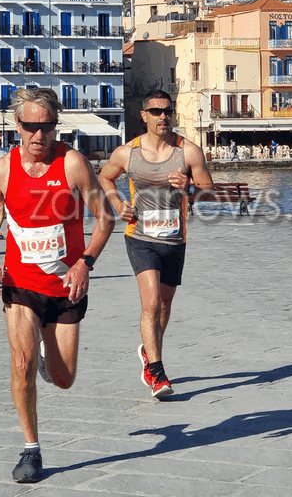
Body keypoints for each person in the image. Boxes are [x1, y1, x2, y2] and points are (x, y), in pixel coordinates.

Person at [0, 88, 114, 483]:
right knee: (21, 364)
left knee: (64, 378)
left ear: (56, 126)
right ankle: (31, 449)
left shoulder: (73, 164)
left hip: (66, 286)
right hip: (20, 283)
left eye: (47, 126)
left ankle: (45, 354)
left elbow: (105, 218)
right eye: (31, 126)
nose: (39, 135)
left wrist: (85, 263)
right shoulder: (2, 170)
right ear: (17, 125)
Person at [99, 89, 213, 399]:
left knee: (164, 305)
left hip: (175, 239)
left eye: (167, 111)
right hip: (140, 237)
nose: (163, 116)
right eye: (156, 111)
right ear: (144, 115)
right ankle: (158, 373)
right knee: (150, 304)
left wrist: (189, 187)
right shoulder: (128, 153)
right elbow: (105, 177)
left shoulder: (188, 151)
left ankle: (148, 352)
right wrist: (117, 203)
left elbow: (209, 191)